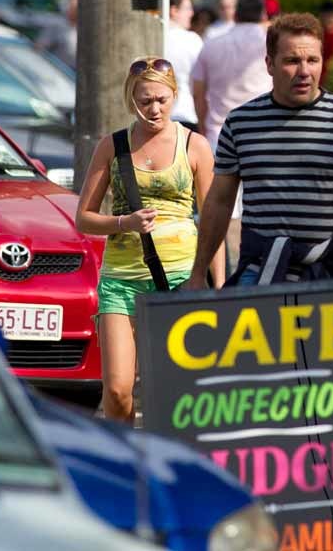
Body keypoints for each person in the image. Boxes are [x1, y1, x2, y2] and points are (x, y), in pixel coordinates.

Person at [183, 13, 333, 290]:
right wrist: (198, 272)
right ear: (270, 64)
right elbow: (219, 201)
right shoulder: (241, 122)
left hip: (328, 272)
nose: (304, 71)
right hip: (260, 270)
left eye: (312, 60)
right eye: (292, 61)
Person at [75, 56, 226, 423]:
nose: (154, 109)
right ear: (131, 100)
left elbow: (213, 221)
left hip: (180, 278)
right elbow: (84, 218)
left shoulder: (194, 145)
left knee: (177, 391)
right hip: (121, 280)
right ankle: (126, 454)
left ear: (174, 96)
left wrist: (219, 285)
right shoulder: (113, 146)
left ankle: (169, 455)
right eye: (145, 101)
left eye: (162, 100)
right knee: (117, 390)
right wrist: (124, 222)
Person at [191, 0, 273, 275]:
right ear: (263, 15)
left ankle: (227, 270)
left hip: (220, 132)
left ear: (236, 15)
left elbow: (198, 91)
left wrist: (203, 125)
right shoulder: (269, 42)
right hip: (265, 130)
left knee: (221, 206)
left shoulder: (212, 44)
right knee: (261, 204)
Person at [165, 0, 204, 130]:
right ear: (174, 11)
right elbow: (202, 82)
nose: (191, 13)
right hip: (187, 114)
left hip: (160, 118)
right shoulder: (192, 40)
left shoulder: (153, 37)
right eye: (187, 8)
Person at [36, 0, 78, 71]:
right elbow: (39, 49)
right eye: (71, 7)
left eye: (74, 8)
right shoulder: (56, 26)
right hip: (54, 72)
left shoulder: (83, 30)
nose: (70, 10)